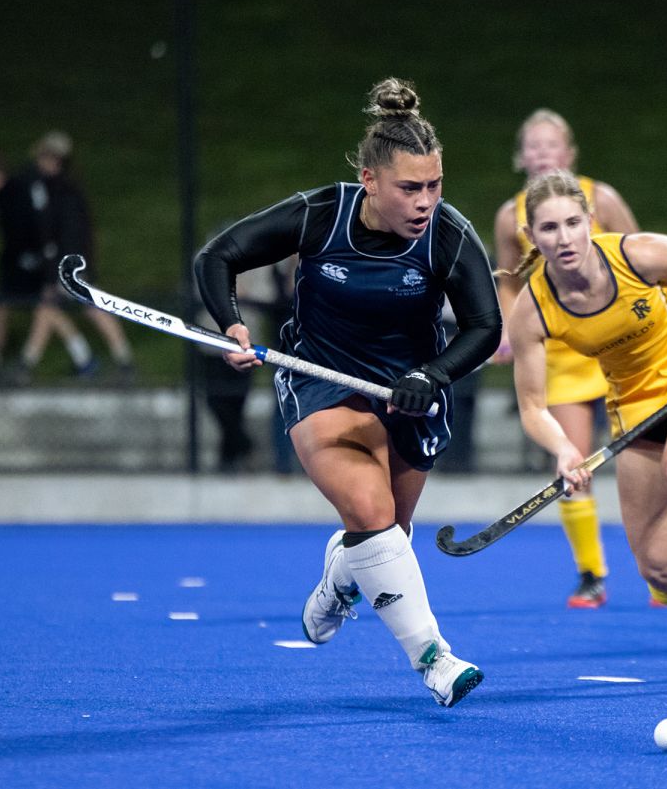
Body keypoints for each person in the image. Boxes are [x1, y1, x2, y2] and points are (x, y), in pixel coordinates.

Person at [194, 78, 501, 707]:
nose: (425, 202)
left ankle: (338, 582)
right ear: (369, 180)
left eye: (434, 186)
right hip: (320, 380)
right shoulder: (319, 215)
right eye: (410, 188)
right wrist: (231, 323)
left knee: (389, 536)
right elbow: (218, 256)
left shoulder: (448, 234)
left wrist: (432, 376)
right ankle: (434, 660)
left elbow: (484, 327)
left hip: (409, 393)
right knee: (370, 511)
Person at [505, 170, 667, 680]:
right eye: (550, 228)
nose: (565, 238)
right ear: (532, 237)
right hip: (637, 409)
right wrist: (562, 449)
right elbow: (533, 406)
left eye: (574, 222)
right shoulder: (532, 310)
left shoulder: (634, 255)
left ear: (589, 221)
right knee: (660, 572)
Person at [492, 109, 639, 609]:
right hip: (561, 355)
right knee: (571, 463)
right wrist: (510, 331)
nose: (541, 155)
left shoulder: (602, 199)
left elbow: (639, 254)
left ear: (570, 154)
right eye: (532, 146)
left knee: (656, 464)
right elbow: (510, 281)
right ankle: (592, 573)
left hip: (621, 350)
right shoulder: (511, 215)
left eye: (550, 145)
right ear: (520, 157)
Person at [0, 153, 97, 381]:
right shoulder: (9, 193)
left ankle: (4, 362)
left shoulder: (15, 192)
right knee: (37, 309)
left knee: (43, 309)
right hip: (26, 262)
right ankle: (82, 358)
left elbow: (35, 227)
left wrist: (35, 258)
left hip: (32, 263)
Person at [32, 131, 135, 384]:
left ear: (56, 160)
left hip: (69, 264)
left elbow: (69, 233)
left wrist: (66, 268)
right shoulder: (57, 188)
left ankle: (121, 361)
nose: (40, 162)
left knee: (90, 308)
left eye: (45, 156)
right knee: (53, 308)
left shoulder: (63, 191)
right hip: (69, 261)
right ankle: (107, 361)